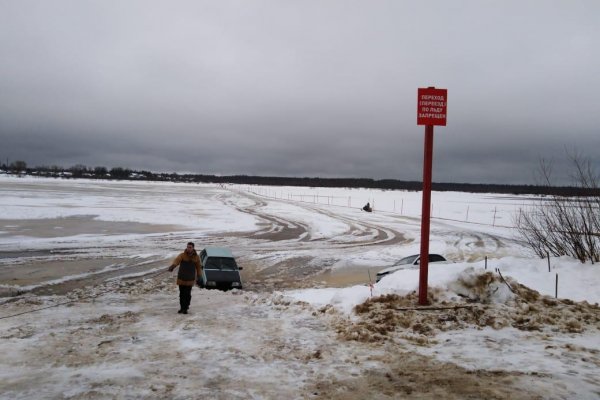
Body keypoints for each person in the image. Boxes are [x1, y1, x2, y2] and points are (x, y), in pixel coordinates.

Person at [168, 242, 202, 314]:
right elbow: (177, 261)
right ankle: (182, 308)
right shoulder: (182, 255)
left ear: (193, 248)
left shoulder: (196, 257)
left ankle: (186, 307)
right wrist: (172, 266)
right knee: (181, 294)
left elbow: (199, 267)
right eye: (187, 247)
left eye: (190, 247)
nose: (188, 248)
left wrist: (199, 276)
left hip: (190, 278)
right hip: (182, 277)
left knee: (187, 294)